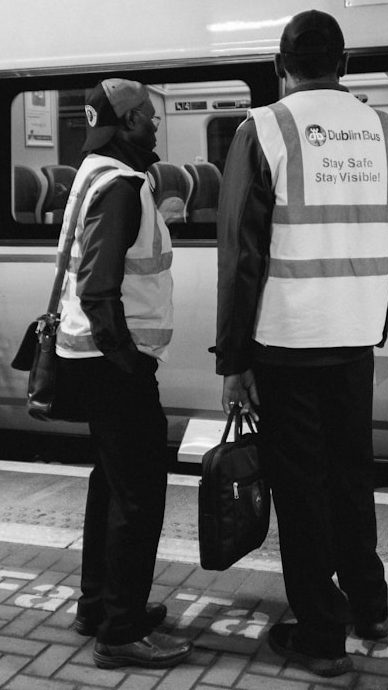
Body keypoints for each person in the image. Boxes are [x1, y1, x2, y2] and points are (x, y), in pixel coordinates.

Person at [214, 10, 388, 678]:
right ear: (346, 64)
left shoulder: (264, 129)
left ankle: (323, 634)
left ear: (281, 65)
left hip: (286, 343)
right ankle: (369, 602)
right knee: (352, 473)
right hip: (354, 339)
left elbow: (241, 257)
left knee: (301, 486)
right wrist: (370, 312)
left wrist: (234, 357)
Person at [55, 79, 192, 669]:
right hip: (114, 365)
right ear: (130, 121)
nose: (156, 127)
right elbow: (98, 284)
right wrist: (128, 361)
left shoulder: (93, 171)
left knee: (110, 485)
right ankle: (121, 628)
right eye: (150, 118)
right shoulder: (120, 185)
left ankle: (99, 605)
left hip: (92, 359)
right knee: (138, 495)